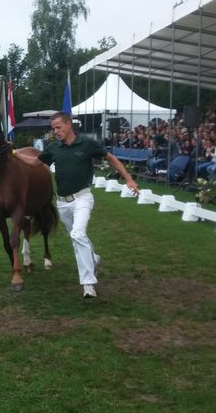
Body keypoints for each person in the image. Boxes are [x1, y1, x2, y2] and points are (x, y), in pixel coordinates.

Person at [19, 112, 139, 299]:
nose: (55, 131)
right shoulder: (53, 148)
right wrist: (15, 153)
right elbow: (35, 163)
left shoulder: (87, 144)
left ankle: (88, 283)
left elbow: (111, 158)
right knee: (77, 238)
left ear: (69, 125)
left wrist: (129, 179)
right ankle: (93, 258)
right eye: (53, 129)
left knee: (77, 234)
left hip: (83, 198)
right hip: (62, 203)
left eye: (58, 127)